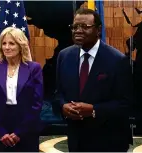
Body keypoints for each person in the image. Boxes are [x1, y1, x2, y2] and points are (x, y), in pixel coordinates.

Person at [56, 8, 133, 152]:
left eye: (84, 27)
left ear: (98, 30)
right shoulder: (64, 56)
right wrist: (63, 107)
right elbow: (59, 93)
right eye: (75, 27)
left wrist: (93, 110)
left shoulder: (117, 60)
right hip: (76, 140)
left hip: (109, 141)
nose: (78, 31)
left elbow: (126, 104)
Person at [0, 27, 43, 152]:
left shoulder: (34, 68)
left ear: (21, 45)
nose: (7, 47)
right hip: (1, 127)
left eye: (11, 43)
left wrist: (19, 132)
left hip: (27, 126)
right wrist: (0, 131)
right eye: (4, 43)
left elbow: (36, 103)